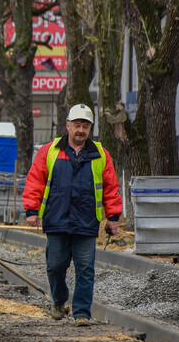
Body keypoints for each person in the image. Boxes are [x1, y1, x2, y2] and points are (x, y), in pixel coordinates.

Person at [22, 104, 122, 327]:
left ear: (90, 128)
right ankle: (58, 301)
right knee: (55, 265)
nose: (81, 130)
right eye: (77, 125)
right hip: (56, 219)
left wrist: (113, 217)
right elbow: (35, 181)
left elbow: (111, 187)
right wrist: (32, 210)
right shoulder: (49, 151)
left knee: (85, 269)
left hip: (86, 221)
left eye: (85, 126)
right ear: (67, 125)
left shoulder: (100, 154)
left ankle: (82, 313)